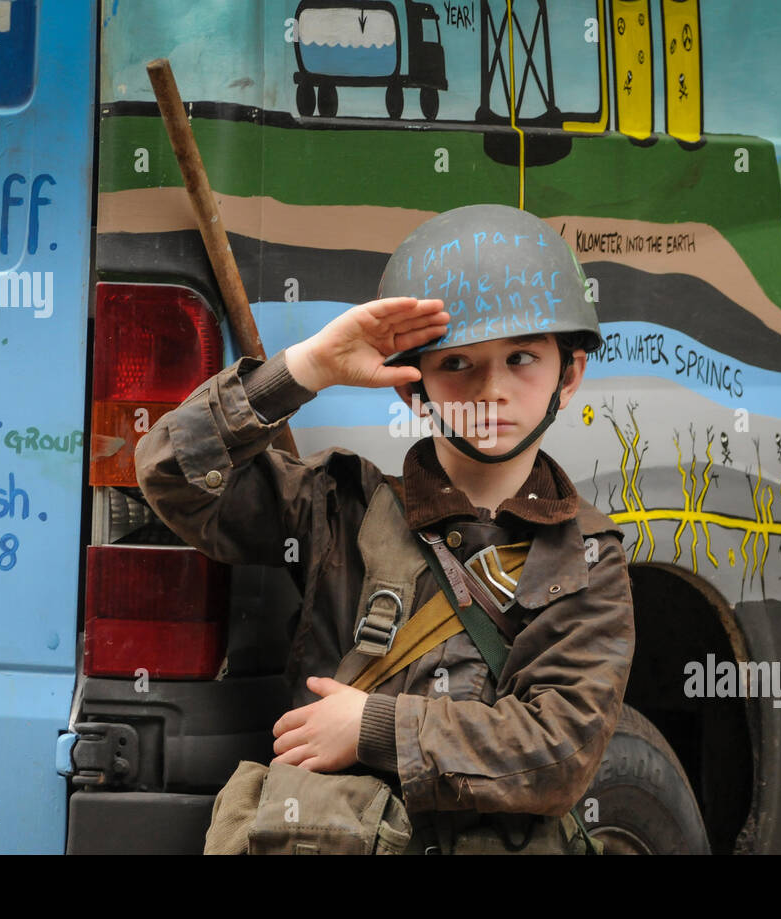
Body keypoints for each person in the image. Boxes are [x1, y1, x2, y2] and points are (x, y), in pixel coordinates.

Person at [134, 203, 635, 853]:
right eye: (457, 363)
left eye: (521, 358)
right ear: (413, 388)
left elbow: (556, 754)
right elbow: (169, 468)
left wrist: (372, 725)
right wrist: (308, 367)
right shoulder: (341, 507)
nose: (492, 388)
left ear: (569, 375)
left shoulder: (585, 557)